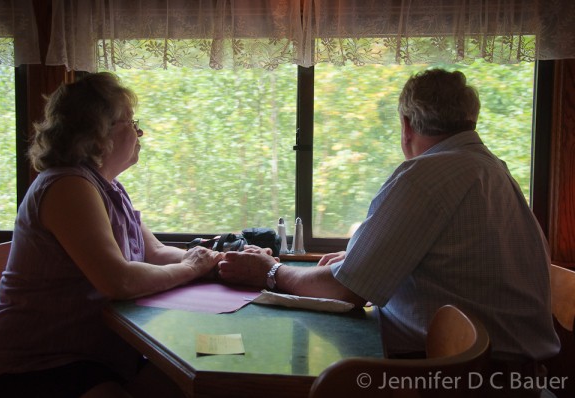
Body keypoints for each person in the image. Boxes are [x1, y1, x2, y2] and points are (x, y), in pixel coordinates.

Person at [218, 69, 560, 397]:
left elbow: (345, 291)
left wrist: (271, 271)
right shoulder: (493, 171)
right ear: (471, 120)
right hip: (516, 376)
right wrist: (363, 260)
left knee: (320, 378)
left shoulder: (424, 175)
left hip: (462, 382)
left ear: (406, 125)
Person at [0, 72, 223, 398]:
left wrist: (220, 261)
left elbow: (157, 253)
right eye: (131, 122)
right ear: (98, 133)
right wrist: (192, 268)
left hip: (97, 356)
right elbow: (118, 281)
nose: (140, 132)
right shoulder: (67, 187)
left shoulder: (108, 188)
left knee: (200, 377)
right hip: (35, 365)